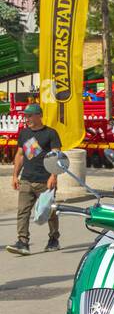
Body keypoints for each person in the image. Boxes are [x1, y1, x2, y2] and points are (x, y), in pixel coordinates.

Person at [8, 103, 61, 255]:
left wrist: (53, 176)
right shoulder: (24, 133)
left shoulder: (51, 133)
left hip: (45, 180)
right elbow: (20, 155)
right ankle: (23, 242)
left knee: (49, 212)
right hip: (26, 179)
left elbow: (56, 156)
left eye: (30, 115)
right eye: (25, 116)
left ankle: (53, 239)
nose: (27, 118)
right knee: (22, 212)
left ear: (39, 115)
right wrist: (15, 176)